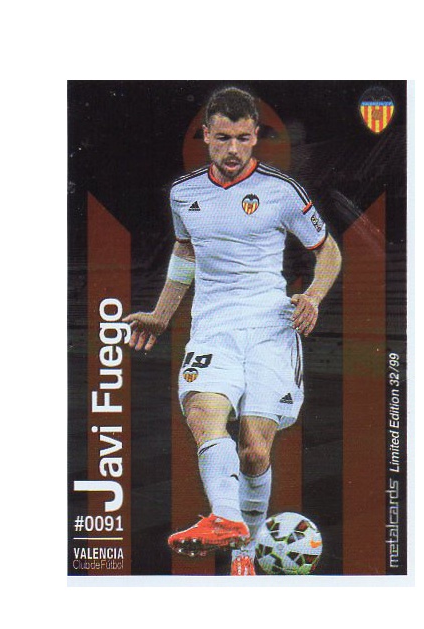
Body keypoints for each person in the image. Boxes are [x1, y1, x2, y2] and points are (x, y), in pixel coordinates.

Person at [123, 87, 342, 576]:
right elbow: (185, 251)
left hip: (270, 329)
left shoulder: (282, 191)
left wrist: (312, 297)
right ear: (205, 135)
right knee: (204, 415)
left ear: (256, 136)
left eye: (243, 138)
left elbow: (328, 250)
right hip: (212, 329)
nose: (233, 149)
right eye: (222, 138)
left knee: (254, 450)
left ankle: (244, 545)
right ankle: (227, 523)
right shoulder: (184, 194)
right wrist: (162, 314)